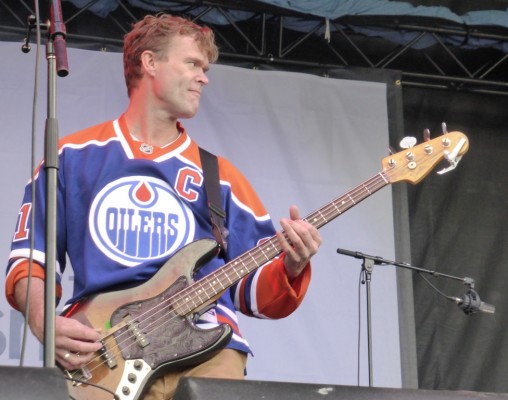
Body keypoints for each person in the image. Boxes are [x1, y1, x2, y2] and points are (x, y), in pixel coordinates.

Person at [5, 13, 322, 400]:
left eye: (205, 68)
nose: (204, 77)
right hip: (106, 349)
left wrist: (292, 264)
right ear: (150, 62)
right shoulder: (71, 155)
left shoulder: (220, 176)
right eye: (192, 64)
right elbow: (31, 257)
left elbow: (252, 292)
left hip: (207, 351)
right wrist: (41, 320)